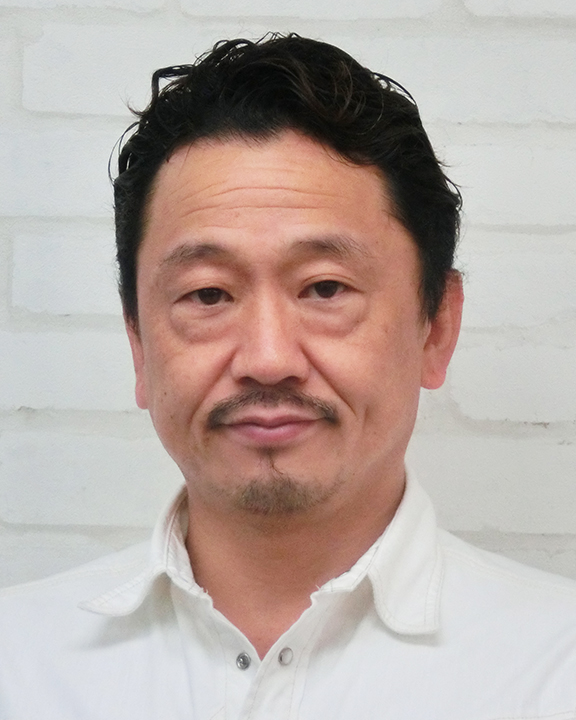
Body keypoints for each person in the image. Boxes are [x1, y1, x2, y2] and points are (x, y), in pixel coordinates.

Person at [1, 33, 576, 720]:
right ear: (139, 345)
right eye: (208, 294)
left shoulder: (554, 670)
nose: (268, 358)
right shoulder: (20, 663)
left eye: (325, 288)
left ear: (437, 328)